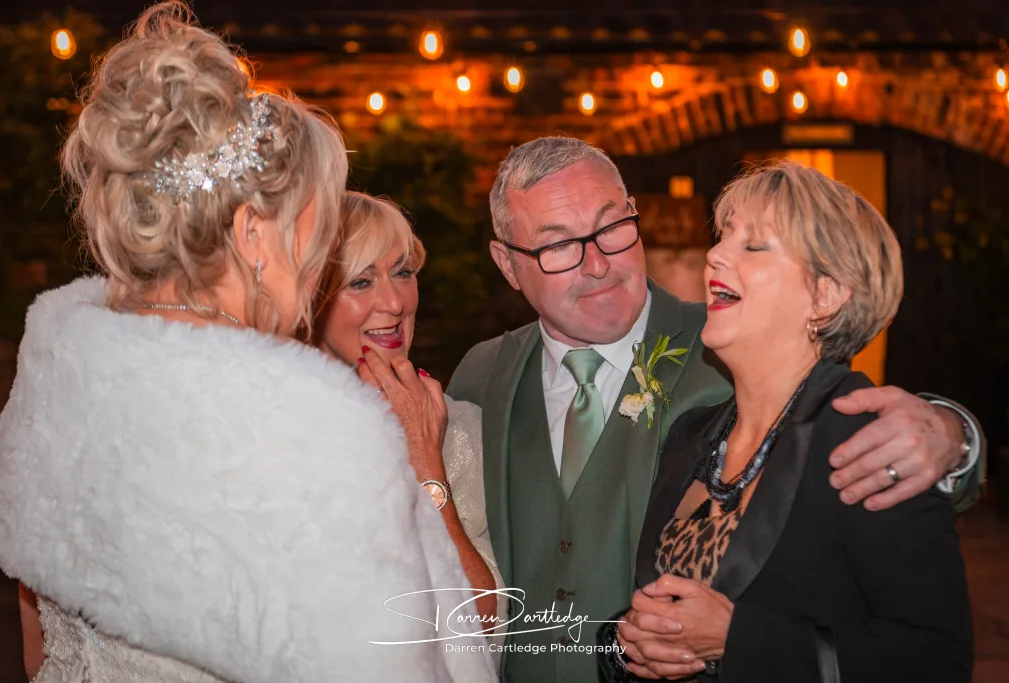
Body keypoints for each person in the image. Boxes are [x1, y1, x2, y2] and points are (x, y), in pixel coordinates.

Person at [0, 4, 495, 682]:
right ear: (253, 232)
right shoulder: (315, 433)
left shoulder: (57, 370)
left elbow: (41, 644)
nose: (318, 267)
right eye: (313, 236)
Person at [445, 136, 983, 683]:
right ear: (509, 265)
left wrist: (956, 438)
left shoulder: (734, 357)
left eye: (611, 228)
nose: (599, 263)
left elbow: (929, 638)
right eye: (558, 245)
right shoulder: (484, 377)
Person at [605, 161, 972, 682]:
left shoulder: (870, 441)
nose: (714, 254)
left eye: (754, 245)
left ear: (825, 296)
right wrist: (630, 648)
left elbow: (936, 659)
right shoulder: (692, 435)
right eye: (724, 236)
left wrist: (739, 641)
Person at [316, 191, 507, 633]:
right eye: (360, 281)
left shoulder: (460, 430)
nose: (396, 302)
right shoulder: (270, 430)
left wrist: (425, 462)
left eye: (403, 273)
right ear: (308, 295)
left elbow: (484, 630)